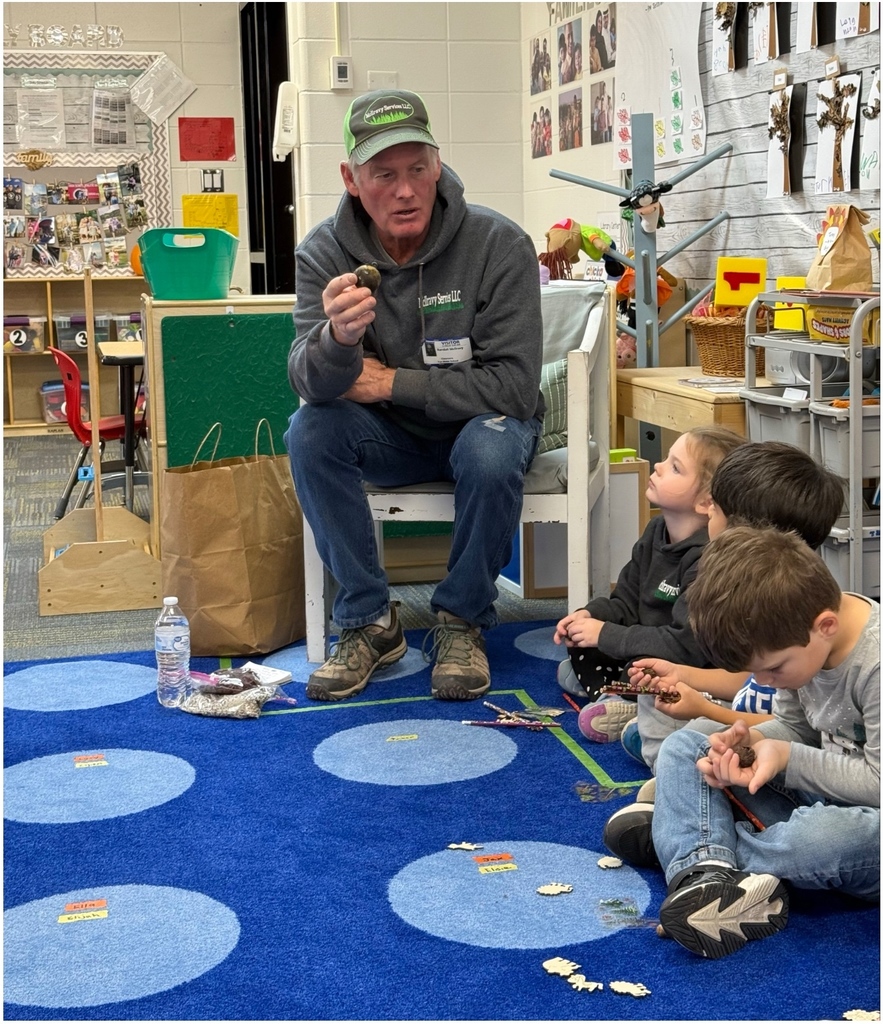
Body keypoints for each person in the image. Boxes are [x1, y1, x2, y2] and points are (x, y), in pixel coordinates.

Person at [284, 89, 545, 704]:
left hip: (483, 426)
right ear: (351, 179)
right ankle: (369, 621)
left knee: (491, 447)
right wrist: (338, 340)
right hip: (391, 438)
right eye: (384, 175)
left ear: (437, 165)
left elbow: (512, 385)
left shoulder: (498, 244)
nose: (405, 191)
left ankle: (461, 621)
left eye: (417, 170)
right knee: (310, 431)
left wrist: (389, 382)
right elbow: (310, 383)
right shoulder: (323, 253)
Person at [608, 526, 879, 960]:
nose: (765, 684)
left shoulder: (875, 663)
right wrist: (749, 744)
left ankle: (694, 849)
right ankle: (705, 875)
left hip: (866, 830)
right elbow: (796, 728)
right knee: (688, 746)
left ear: (824, 626)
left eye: (772, 670)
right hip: (827, 795)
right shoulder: (800, 640)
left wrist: (786, 756)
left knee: (819, 838)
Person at [615, 440, 848, 769]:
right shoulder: (764, 597)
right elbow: (752, 680)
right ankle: (668, 761)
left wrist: (703, 709)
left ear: (745, 533)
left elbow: (796, 731)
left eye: (716, 507)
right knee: (671, 715)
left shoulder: (797, 617)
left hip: (765, 735)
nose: (708, 509)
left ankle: (669, 770)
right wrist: (683, 676)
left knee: (691, 740)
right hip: (751, 719)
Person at [553, 426, 745, 735]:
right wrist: (591, 616)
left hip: (684, 664)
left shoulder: (706, 558)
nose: (657, 466)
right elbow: (624, 602)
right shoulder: (655, 531)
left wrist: (606, 634)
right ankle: (620, 699)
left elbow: (686, 648)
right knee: (583, 646)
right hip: (644, 649)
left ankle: (628, 706)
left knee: (638, 665)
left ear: (707, 503)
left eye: (674, 467)